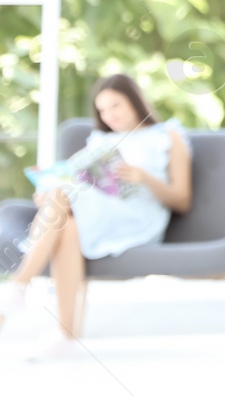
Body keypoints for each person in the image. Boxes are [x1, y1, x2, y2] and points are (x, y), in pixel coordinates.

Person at [0, 73, 190, 360]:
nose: (109, 115)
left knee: (60, 197)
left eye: (116, 106)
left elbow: (182, 200)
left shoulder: (168, 135)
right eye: (102, 110)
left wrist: (144, 178)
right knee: (66, 222)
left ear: (135, 101)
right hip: (99, 211)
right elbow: (81, 180)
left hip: (140, 218)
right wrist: (48, 192)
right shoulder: (101, 139)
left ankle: (19, 286)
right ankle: (65, 336)